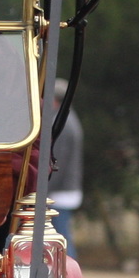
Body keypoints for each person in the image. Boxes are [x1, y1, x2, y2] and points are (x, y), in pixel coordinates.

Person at [47, 80, 83, 245]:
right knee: (61, 236)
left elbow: (57, 160)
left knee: (60, 239)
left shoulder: (62, 124)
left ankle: (68, 268)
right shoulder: (70, 118)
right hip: (64, 189)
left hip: (60, 191)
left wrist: (43, 189)